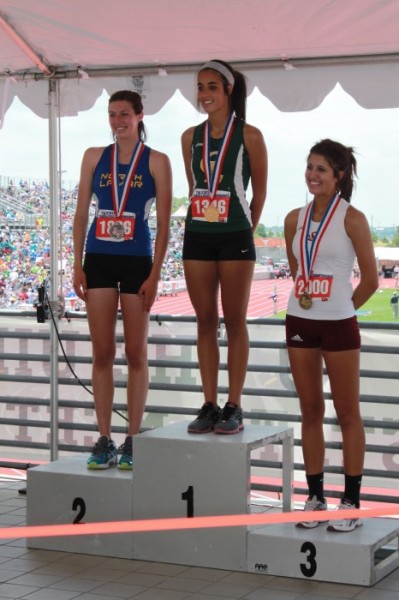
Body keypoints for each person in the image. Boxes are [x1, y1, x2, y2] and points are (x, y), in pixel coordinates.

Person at [73, 90, 172, 470]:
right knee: (102, 353)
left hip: (137, 263)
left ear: (139, 116)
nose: (118, 121)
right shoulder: (94, 157)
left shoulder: (157, 161)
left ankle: (132, 437)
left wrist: (156, 272)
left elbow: (163, 224)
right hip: (97, 259)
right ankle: (103, 438)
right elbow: (82, 213)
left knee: (135, 353)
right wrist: (77, 263)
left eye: (125, 114)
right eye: (112, 114)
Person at [284, 139, 378, 532]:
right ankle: (316, 496)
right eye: (309, 167)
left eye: (321, 168)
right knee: (310, 411)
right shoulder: (293, 219)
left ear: (339, 175)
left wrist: (340, 306)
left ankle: (351, 501)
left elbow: (371, 280)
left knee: (347, 412)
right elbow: (297, 272)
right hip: (299, 320)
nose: (313, 174)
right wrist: (313, 303)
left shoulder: (352, 218)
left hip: (339, 322)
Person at [181, 59, 268, 434]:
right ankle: (209, 403)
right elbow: (194, 186)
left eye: (212, 87)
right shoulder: (189, 137)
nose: (204, 95)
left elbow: (259, 191)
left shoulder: (250, 135)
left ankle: (234, 404)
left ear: (229, 90)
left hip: (234, 234)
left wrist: (245, 225)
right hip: (198, 233)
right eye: (200, 87)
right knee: (203, 320)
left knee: (234, 320)